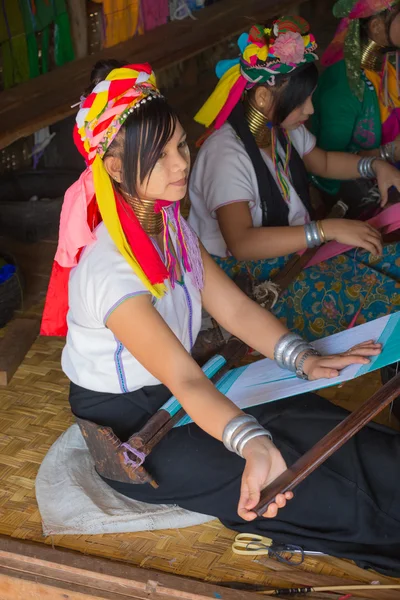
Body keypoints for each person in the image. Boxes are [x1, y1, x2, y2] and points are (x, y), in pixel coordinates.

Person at [40, 59, 400, 577]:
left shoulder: (170, 225)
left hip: (185, 389)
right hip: (132, 424)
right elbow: (183, 378)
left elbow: (230, 305)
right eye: (159, 156)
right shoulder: (110, 271)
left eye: (181, 146)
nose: (180, 164)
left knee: (330, 430)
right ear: (116, 168)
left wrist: (304, 360)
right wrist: (250, 442)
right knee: (310, 485)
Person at [188, 17, 400, 341]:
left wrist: (373, 166)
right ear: (262, 98)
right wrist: (326, 229)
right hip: (252, 281)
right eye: (302, 101)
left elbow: (325, 162)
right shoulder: (227, 156)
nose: (311, 109)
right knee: (386, 297)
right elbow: (241, 244)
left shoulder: (281, 130)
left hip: (296, 253)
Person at [311, 0, 400, 206]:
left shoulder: (386, 64)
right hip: (355, 191)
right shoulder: (344, 88)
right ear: (377, 27)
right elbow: (325, 165)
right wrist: (389, 152)